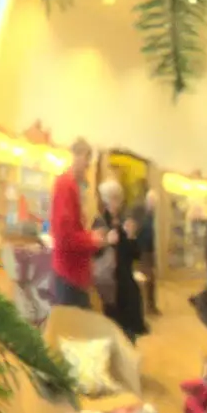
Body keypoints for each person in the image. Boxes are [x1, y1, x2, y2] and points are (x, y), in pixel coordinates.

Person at [49, 138, 109, 307]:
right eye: (87, 162)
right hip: (70, 273)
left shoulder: (73, 186)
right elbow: (63, 236)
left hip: (75, 273)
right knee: (73, 328)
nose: (87, 168)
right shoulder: (65, 185)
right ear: (79, 156)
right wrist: (92, 239)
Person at [94, 179, 148, 341]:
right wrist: (105, 242)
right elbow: (94, 253)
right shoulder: (99, 222)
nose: (116, 202)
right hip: (108, 285)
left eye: (118, 197)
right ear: (105, 199)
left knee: (129, 333)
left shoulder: (126, 221)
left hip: (125, 284)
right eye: (112, 198)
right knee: (111, 333)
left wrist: (131, 237)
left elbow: (137, 255)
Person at [131, 188, 161, 315]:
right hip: (141, 250)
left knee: (150, 279)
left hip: (149, 250)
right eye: (151, 201)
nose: (153, 204)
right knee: (145, 278)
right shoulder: (140, 213)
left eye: (154, 202)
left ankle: (150, 306)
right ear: (147, 200)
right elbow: (137, 230)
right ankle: (145, 306)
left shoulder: (152, 214)